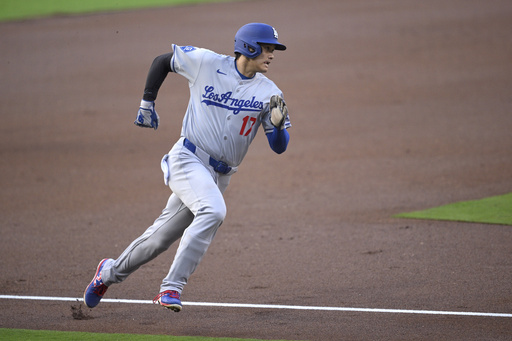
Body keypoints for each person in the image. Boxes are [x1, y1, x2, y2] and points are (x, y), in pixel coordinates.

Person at [83, 23, 291, 312]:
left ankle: (106, 274)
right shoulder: (206, 63)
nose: (271, 55)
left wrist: (279, 128)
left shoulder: (270, 92)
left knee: (158, 239)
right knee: (214, 210)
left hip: (218, 177)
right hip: (187, 159)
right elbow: (162, 62)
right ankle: (171, 288)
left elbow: (279, 146)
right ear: (250, 47)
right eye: (268, 48)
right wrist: (147, 102)